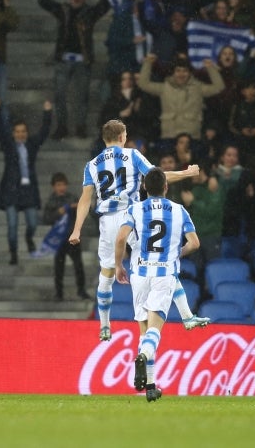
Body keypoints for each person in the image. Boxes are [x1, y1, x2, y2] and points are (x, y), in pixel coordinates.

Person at [69, 119, 205, 342]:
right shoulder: (132, 155)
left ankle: (104, 325)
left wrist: (77, 230)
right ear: (122, 137)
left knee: (107, 275)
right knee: (164, 261)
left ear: (104, 140)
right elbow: (157, 176)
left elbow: (85, 199)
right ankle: (186, 315)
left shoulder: (92, 165)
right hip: (132, 215)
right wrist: (186, 173)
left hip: (108, 222)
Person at [114, 168, 200, 402]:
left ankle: (150, 386)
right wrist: (176, 254)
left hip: (139, 274)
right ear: (166, 187)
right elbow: (194, 243)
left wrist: (119, 265)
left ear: (144, 188)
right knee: (154, 331)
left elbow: (121, 238)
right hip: (163, 275)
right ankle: (143, 356)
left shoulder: (135, 209)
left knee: (144, 331)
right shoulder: (180, 211)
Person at [35, 0, 111, 139]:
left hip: (82, 60)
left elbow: (104, 7)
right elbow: (44, 2)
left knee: (82, 95)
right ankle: (62, 126)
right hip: (64, 59)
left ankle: (80, 126)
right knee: (60, 94)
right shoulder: (63, 10)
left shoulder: (89, 13)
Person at [0, 101, 51, 265]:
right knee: (12, 226)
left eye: (23, 131)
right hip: (11, 189)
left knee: (33, 223)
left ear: (27, 133)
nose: (20, 134)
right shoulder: (8, 145)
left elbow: (44, 132)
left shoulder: (32, 145)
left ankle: (29, 238)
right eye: (17, 132)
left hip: (28, 190)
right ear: (13, 133)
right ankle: (13, 252)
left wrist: (47, 113)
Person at [42, 172, 89, 301]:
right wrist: (59, 212)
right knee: (59, 267)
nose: (61, 187)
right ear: (54, 186)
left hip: (72, 237)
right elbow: (46, 219)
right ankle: (59, 293)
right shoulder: (51, 201)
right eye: (58, 185)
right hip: (59, 239)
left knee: (78, 265)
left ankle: (81, 290)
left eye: (63, 184)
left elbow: (83, 211)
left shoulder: (72, 198)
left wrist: (77, 207)